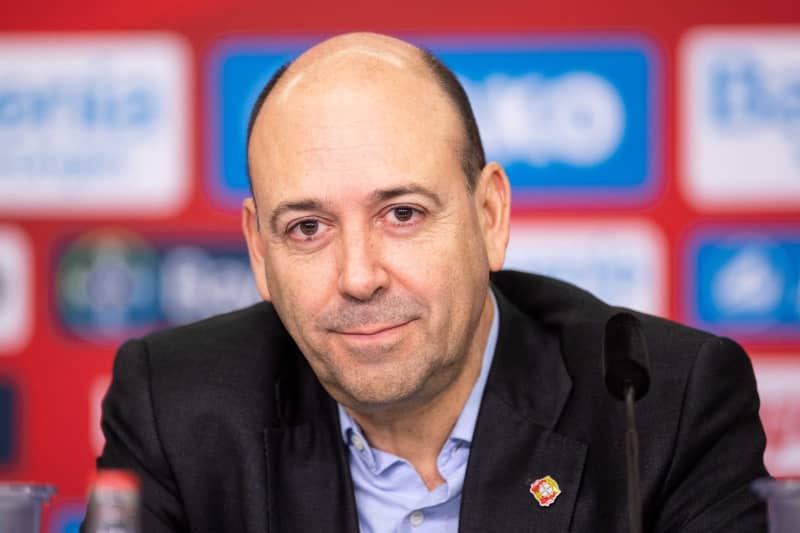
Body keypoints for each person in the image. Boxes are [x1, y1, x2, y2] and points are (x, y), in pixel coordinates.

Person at [87, 32, 769, 532]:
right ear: (259, 253)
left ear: (489, 216)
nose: (358, 276)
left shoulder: (659, 405)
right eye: (306, 228)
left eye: (403, 213)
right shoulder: (176, 407)